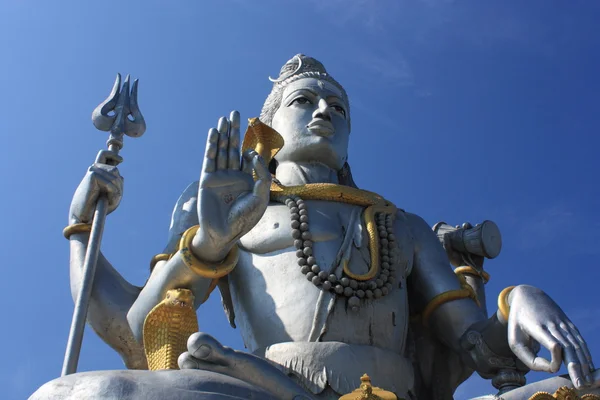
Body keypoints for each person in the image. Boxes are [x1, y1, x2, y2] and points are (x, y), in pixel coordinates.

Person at [32, 55, 599, 400]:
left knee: (578, 390)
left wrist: (520, 301)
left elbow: (478, 348)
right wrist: (206, 243)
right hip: (269, 387)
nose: (325, 112)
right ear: (269, 126)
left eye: (338, 107)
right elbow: (135, 336)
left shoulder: (403, 226)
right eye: (305, 101)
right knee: (89, 391)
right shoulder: (232, 204)